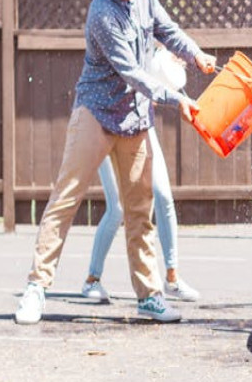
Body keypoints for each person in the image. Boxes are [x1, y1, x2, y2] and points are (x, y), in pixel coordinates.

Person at [14, 0, 216, 325]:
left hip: (135, 118)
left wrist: (195, 54)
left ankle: (149, 296)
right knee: (65, 199)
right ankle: (36, 288)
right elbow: (134, 73)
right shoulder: (102, 15)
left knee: (140, 210)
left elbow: (165, 28)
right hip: (96, 113)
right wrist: (178, 99)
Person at [81, 128, 200, 303]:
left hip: (141, 124)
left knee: (163, 196)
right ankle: (92, 279)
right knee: (117, 209)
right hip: (105, 123)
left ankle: (172, 279)